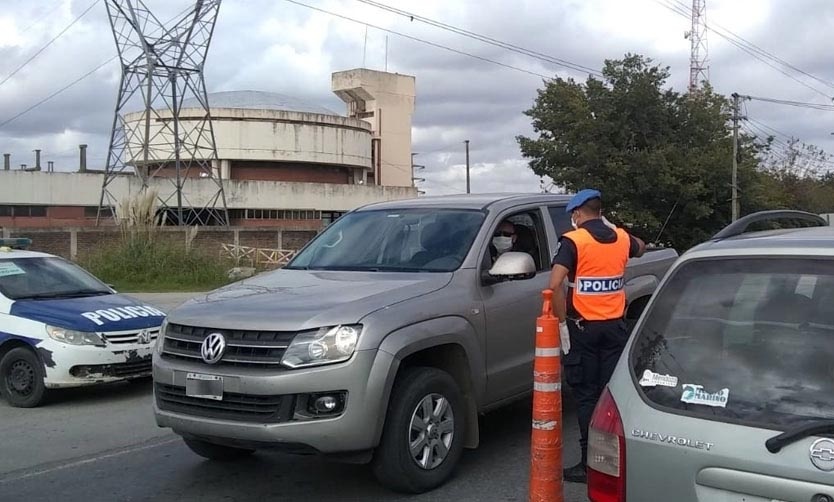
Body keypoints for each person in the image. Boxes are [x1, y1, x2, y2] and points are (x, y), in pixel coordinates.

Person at [548, 189, 645, 484]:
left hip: (583, 331)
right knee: (611, 396)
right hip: (615, 329)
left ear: (577, 214)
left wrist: (562, 324)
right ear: (600, 211)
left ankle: (591, 465)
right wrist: (616, 228)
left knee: (587, 396)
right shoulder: (621, 238)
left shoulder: (574, 241)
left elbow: (554, 286)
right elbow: (641, 246)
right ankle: (616, 461)